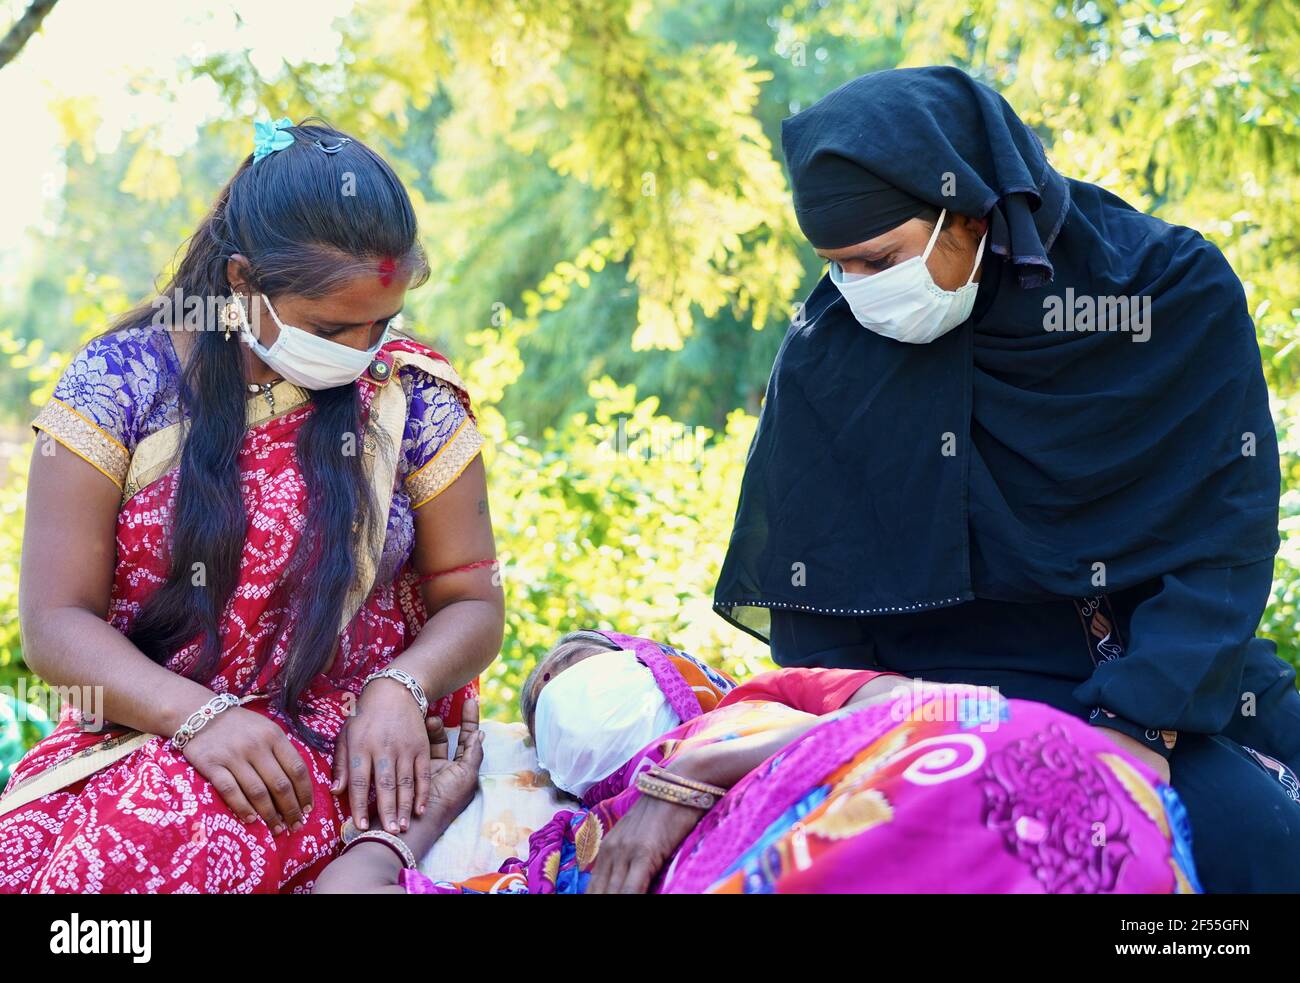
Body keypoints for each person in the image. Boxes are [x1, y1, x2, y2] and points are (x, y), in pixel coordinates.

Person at [711, 67, 1300, 892]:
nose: (857, 292)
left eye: (877, 260)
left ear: (975, 211)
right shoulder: (833, 351)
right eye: (836, 266)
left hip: (1160, 668)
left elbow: (1225, 540)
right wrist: (868, 728)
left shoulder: (1165, 294)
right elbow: (821, 617)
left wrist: (1134, 727)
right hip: (939, 698)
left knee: (1262, 833)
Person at [0, 118, 504, 893]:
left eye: (383, 321)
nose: (364, 347)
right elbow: (54, 625)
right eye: (333, 327)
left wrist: (400, 686)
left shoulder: (413, 396)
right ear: (242, 282)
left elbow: (473, 597)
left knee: (134, 857)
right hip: (135, 725)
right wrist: (195, 716)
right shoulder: (120, 382)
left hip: (335, 732)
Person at [315, 630, 1199, 894]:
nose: (555, 678)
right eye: (540, 689)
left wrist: (697, 774)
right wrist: (422, 818)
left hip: (952, 768)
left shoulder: (775, 694)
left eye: (574, 656)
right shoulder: (562, 853)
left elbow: (925, 710)